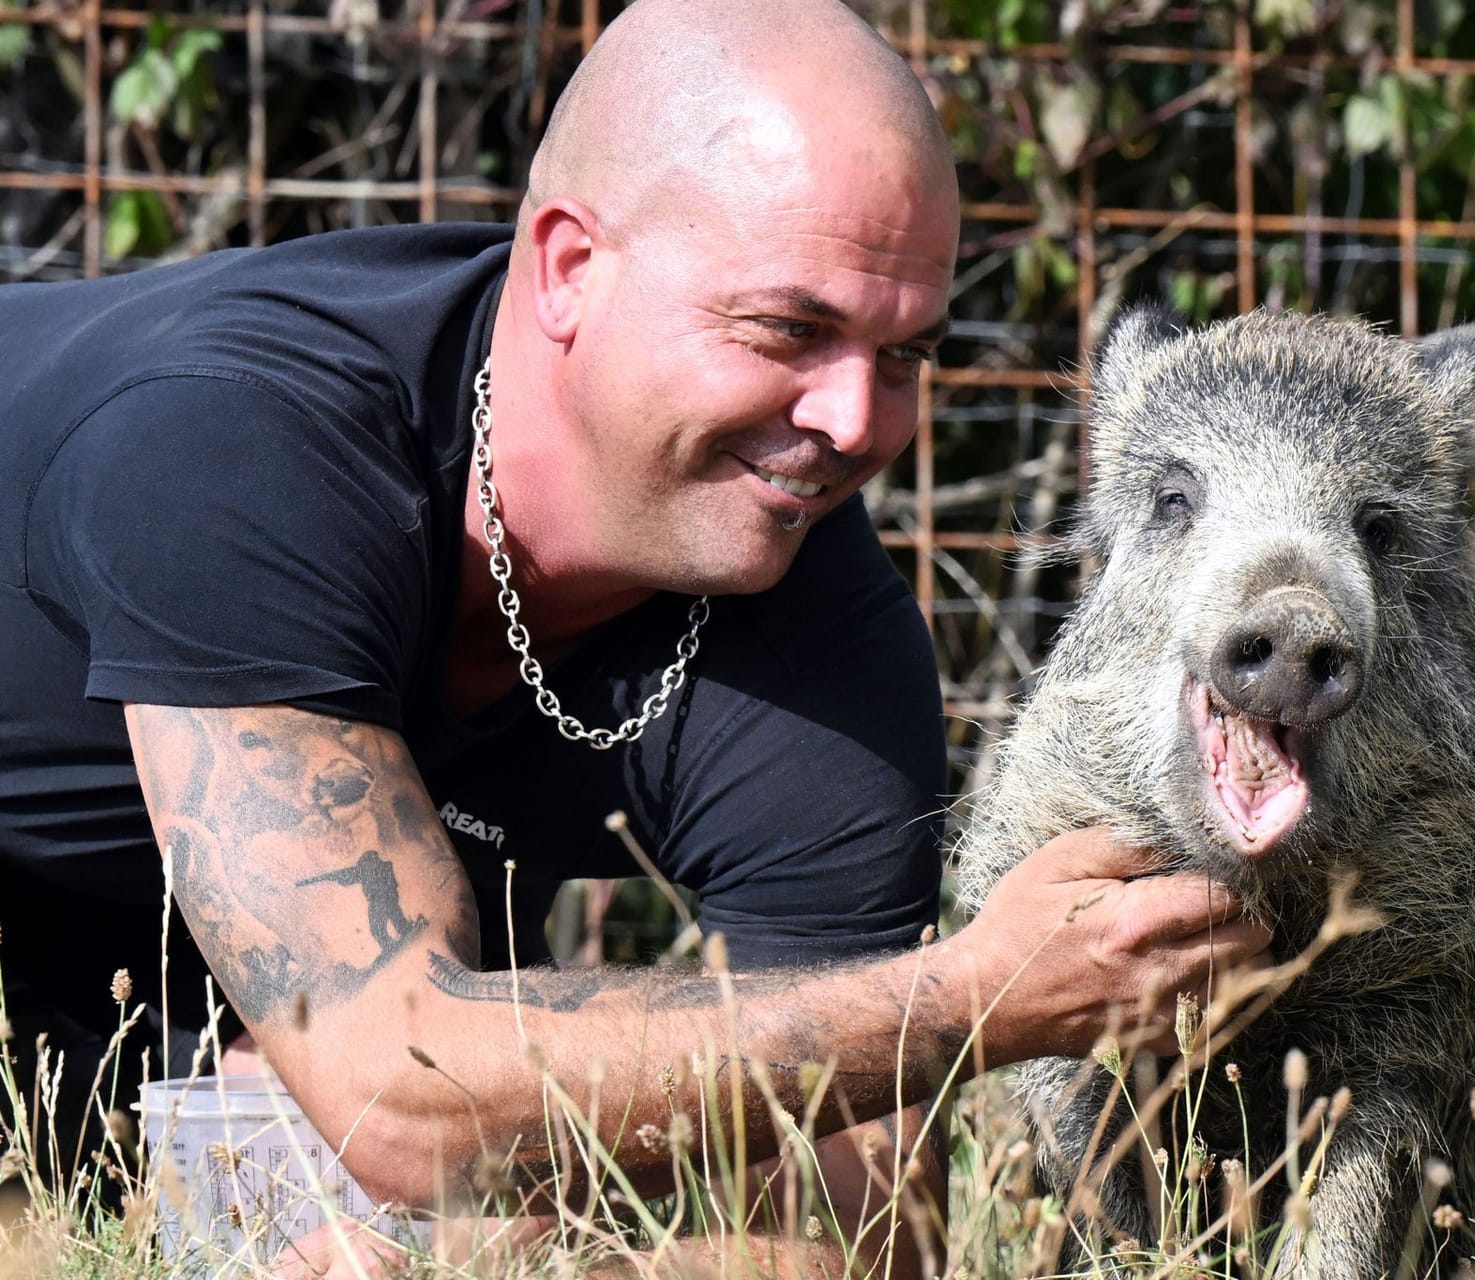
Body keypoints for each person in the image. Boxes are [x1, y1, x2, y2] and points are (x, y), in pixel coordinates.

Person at [0, 0, 1271, 1272]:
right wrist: (971, 995)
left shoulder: (818, 630)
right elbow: (403, 1085)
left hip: (197, 1001)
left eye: (906, 353)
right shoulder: (240, 447)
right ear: (567, 268)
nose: (856, 420)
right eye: (792, 329)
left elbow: (858, 1231)